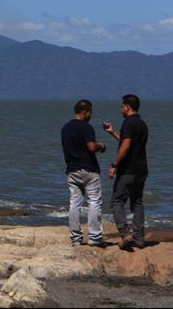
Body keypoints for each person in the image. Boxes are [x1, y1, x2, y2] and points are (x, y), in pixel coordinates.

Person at [103, 93, 149, 250]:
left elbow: (126, 145)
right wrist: (112, 132)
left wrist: (114, 164)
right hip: (142, 169)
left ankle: (125, 234)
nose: (120, 109)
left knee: (116, 202)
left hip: (128, 169)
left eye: (121, 106)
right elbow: (126, 141)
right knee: (137, 202)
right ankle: (139, 238)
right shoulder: (142, 124)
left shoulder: (128, 123)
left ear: (127, 107)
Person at [61, 99, 107, 246]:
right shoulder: (86, 127)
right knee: (94, 201)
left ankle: (75, 238)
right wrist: (102, 145)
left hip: (72, 169)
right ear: (85, 111)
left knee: (75, 203)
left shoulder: (65, 128)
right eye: (90, 112)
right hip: (88, 169)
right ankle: (95, 237)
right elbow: (92, 147)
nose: (91, 115)